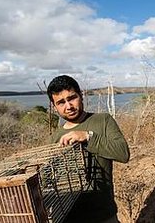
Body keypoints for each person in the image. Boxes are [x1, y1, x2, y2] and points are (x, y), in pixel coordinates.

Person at [47, 75, 130, 223]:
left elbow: (123, 153)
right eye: (61, 102)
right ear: (54, 107)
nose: (68, 106)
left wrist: (88, 136)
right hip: (69, 217)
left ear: (81, 96)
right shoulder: (55, 138)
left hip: (104, 215)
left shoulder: (103, 120)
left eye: (72, 98)